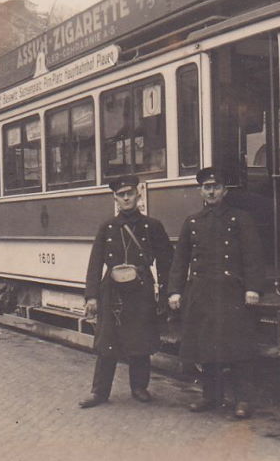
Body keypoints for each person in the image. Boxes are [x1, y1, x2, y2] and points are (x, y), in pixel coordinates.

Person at [168, 167, 263, 419]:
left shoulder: (241, 219)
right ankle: (211, 396)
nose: (211, 191)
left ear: (224, 190)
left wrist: (253, 288)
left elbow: (253, 257)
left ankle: (243, 400)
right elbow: (180, 260)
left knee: (239, 348)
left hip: (231, 292)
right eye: (207, 187)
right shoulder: (192, 222)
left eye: (216, 187)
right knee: (206, 347)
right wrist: (175, 291)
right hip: (202, 292)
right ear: (201, 191)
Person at [79, 174, 172, 408]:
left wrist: (165, 291)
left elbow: (165, 261)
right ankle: (99, 392)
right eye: (121, 194)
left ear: (138, 194)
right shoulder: (107, 227)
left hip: (141, 289)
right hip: (112, 291)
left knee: (140, 339)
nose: (126, 197)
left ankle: (139, 387)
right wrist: (91, 296)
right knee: (107, 342)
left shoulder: (153, 226)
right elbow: (95, 263)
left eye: (130, 193)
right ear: (115, 198)